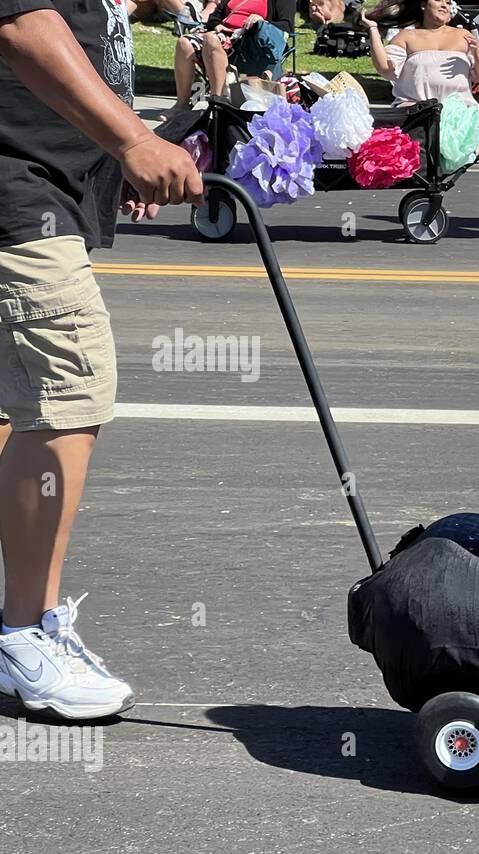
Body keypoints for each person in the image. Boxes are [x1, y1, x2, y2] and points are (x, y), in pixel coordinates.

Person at [0, 0, 203, 719]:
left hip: (40, 194)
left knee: (14, 408)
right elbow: (23, 25)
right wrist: (130, 142)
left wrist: (112, 167)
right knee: (66, 395)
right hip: (18, 201)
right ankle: (25, 633)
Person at [361, 0, 479, 106]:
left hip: (459, 113)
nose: (444, 5)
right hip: (415, 110)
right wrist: (373, 29)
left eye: (448, 3)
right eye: (438, 0)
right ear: (423, 5)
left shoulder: (464, 36)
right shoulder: (406, 36)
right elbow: (385, 68)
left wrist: (477, 53)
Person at [161, 0, 268, 117]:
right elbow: (214, 17)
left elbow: (285, 25)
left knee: (212, 40)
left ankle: (218, 105)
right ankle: (182, 105)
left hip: (249, 41)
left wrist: (261, 22)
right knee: (184, 43)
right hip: (221, 35)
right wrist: (218, 25)